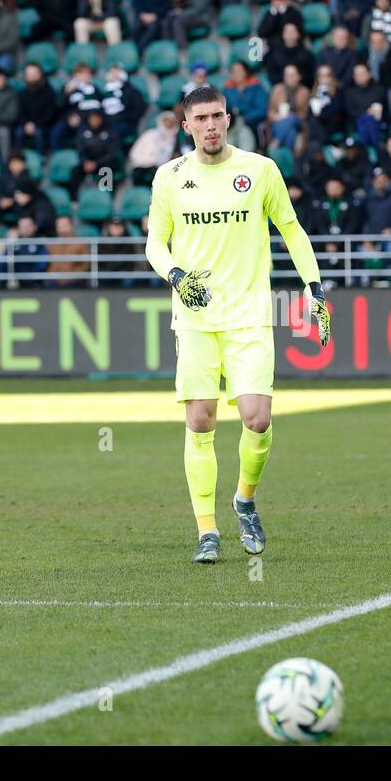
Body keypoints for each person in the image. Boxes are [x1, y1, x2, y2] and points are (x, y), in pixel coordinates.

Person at [144, 85, 331, 564]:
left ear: (229, 120)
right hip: (196, 316)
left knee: (258, 418)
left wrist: (314, 287)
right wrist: (177, 275)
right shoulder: (169, 177)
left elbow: (291, 228)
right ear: (185, 126)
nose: (210, 125)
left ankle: (244, 499)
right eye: (200, 118)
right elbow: (155, 244)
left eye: (217, 116)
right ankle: (207, 531)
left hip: (249, 313)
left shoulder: (260, 170)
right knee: (200, 419)